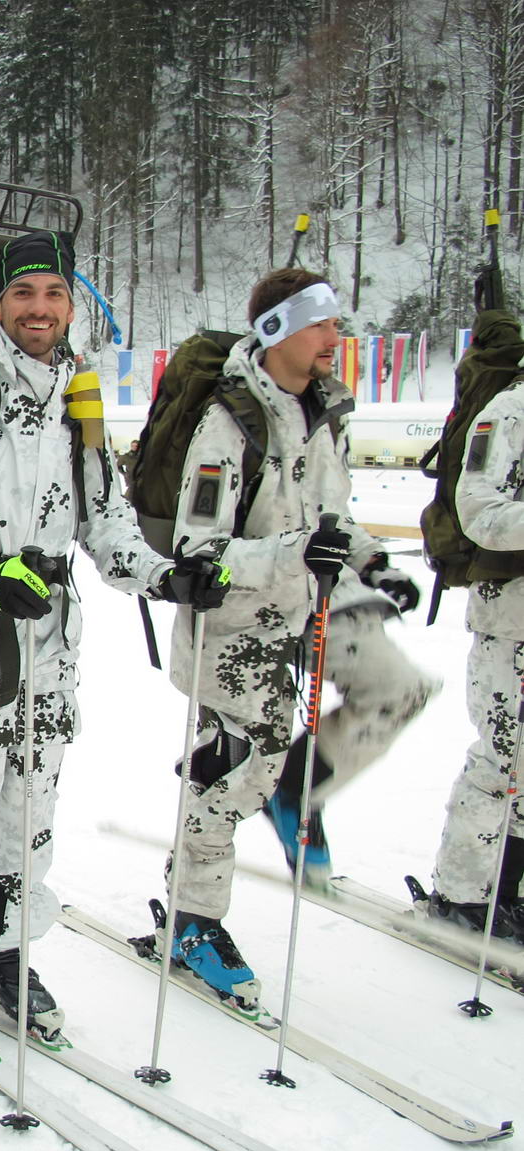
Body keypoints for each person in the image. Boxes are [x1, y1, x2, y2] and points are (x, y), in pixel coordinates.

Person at [0, 229, 225, 1049]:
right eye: (24, 295)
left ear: (72, 305)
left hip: (51, 639)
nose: (40, 310)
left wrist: (165, 575)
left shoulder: (77, 394)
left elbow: (102, 519)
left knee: (28, 809)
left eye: (54, 295)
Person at [164, 267, 437, 1004]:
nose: (334, 337)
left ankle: (298, 787)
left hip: (310, 603)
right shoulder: (227, 424)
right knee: (230, 775)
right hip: (237, 624)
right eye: (320, 324)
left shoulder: (320, 411)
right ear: (278, 330)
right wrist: (294, 555)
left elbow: (331, 512)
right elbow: (197, 549)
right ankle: (193, 921)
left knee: (399, 687)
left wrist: (370, 561)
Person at [425, 380, 524, 939]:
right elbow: (478, 511)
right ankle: (460, 894)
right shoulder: (510, 409)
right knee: (500, 761)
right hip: (511, 619)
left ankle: (509, 890)